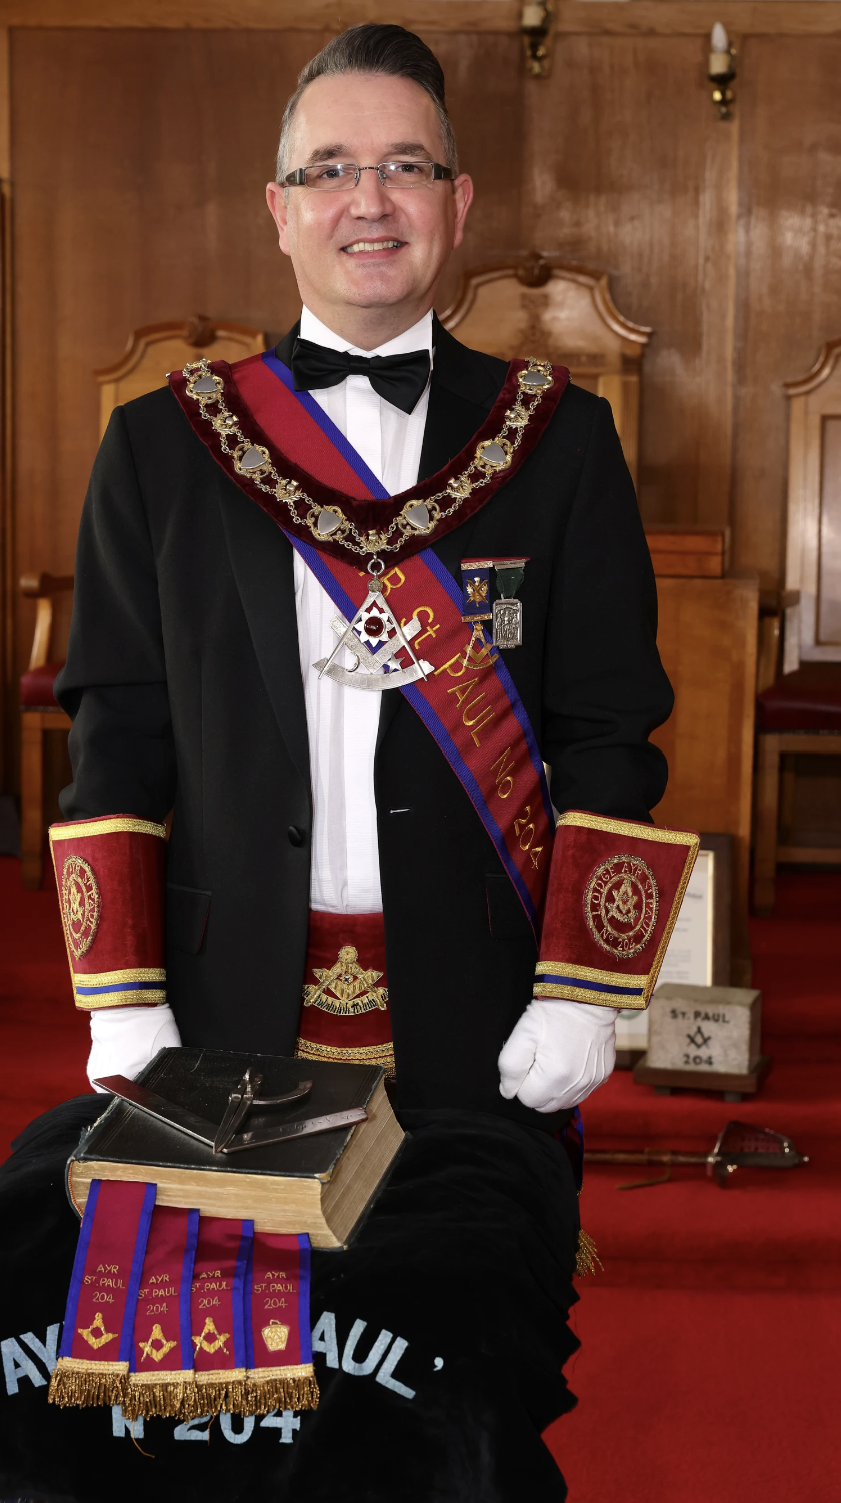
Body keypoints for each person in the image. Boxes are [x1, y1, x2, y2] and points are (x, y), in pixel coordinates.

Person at [0, 24, 673, 1501]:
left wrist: (583, 985)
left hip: (478, 1026)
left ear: (459, 202)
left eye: (406, 165)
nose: (369, 199)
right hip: (218, 1018)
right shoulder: (163, 448)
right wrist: (122, 994)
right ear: (279, 206)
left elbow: (610, 730)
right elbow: (115, 731)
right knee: (193, 1410)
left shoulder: (558, 443)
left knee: (440, 1415)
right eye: (330, 169)